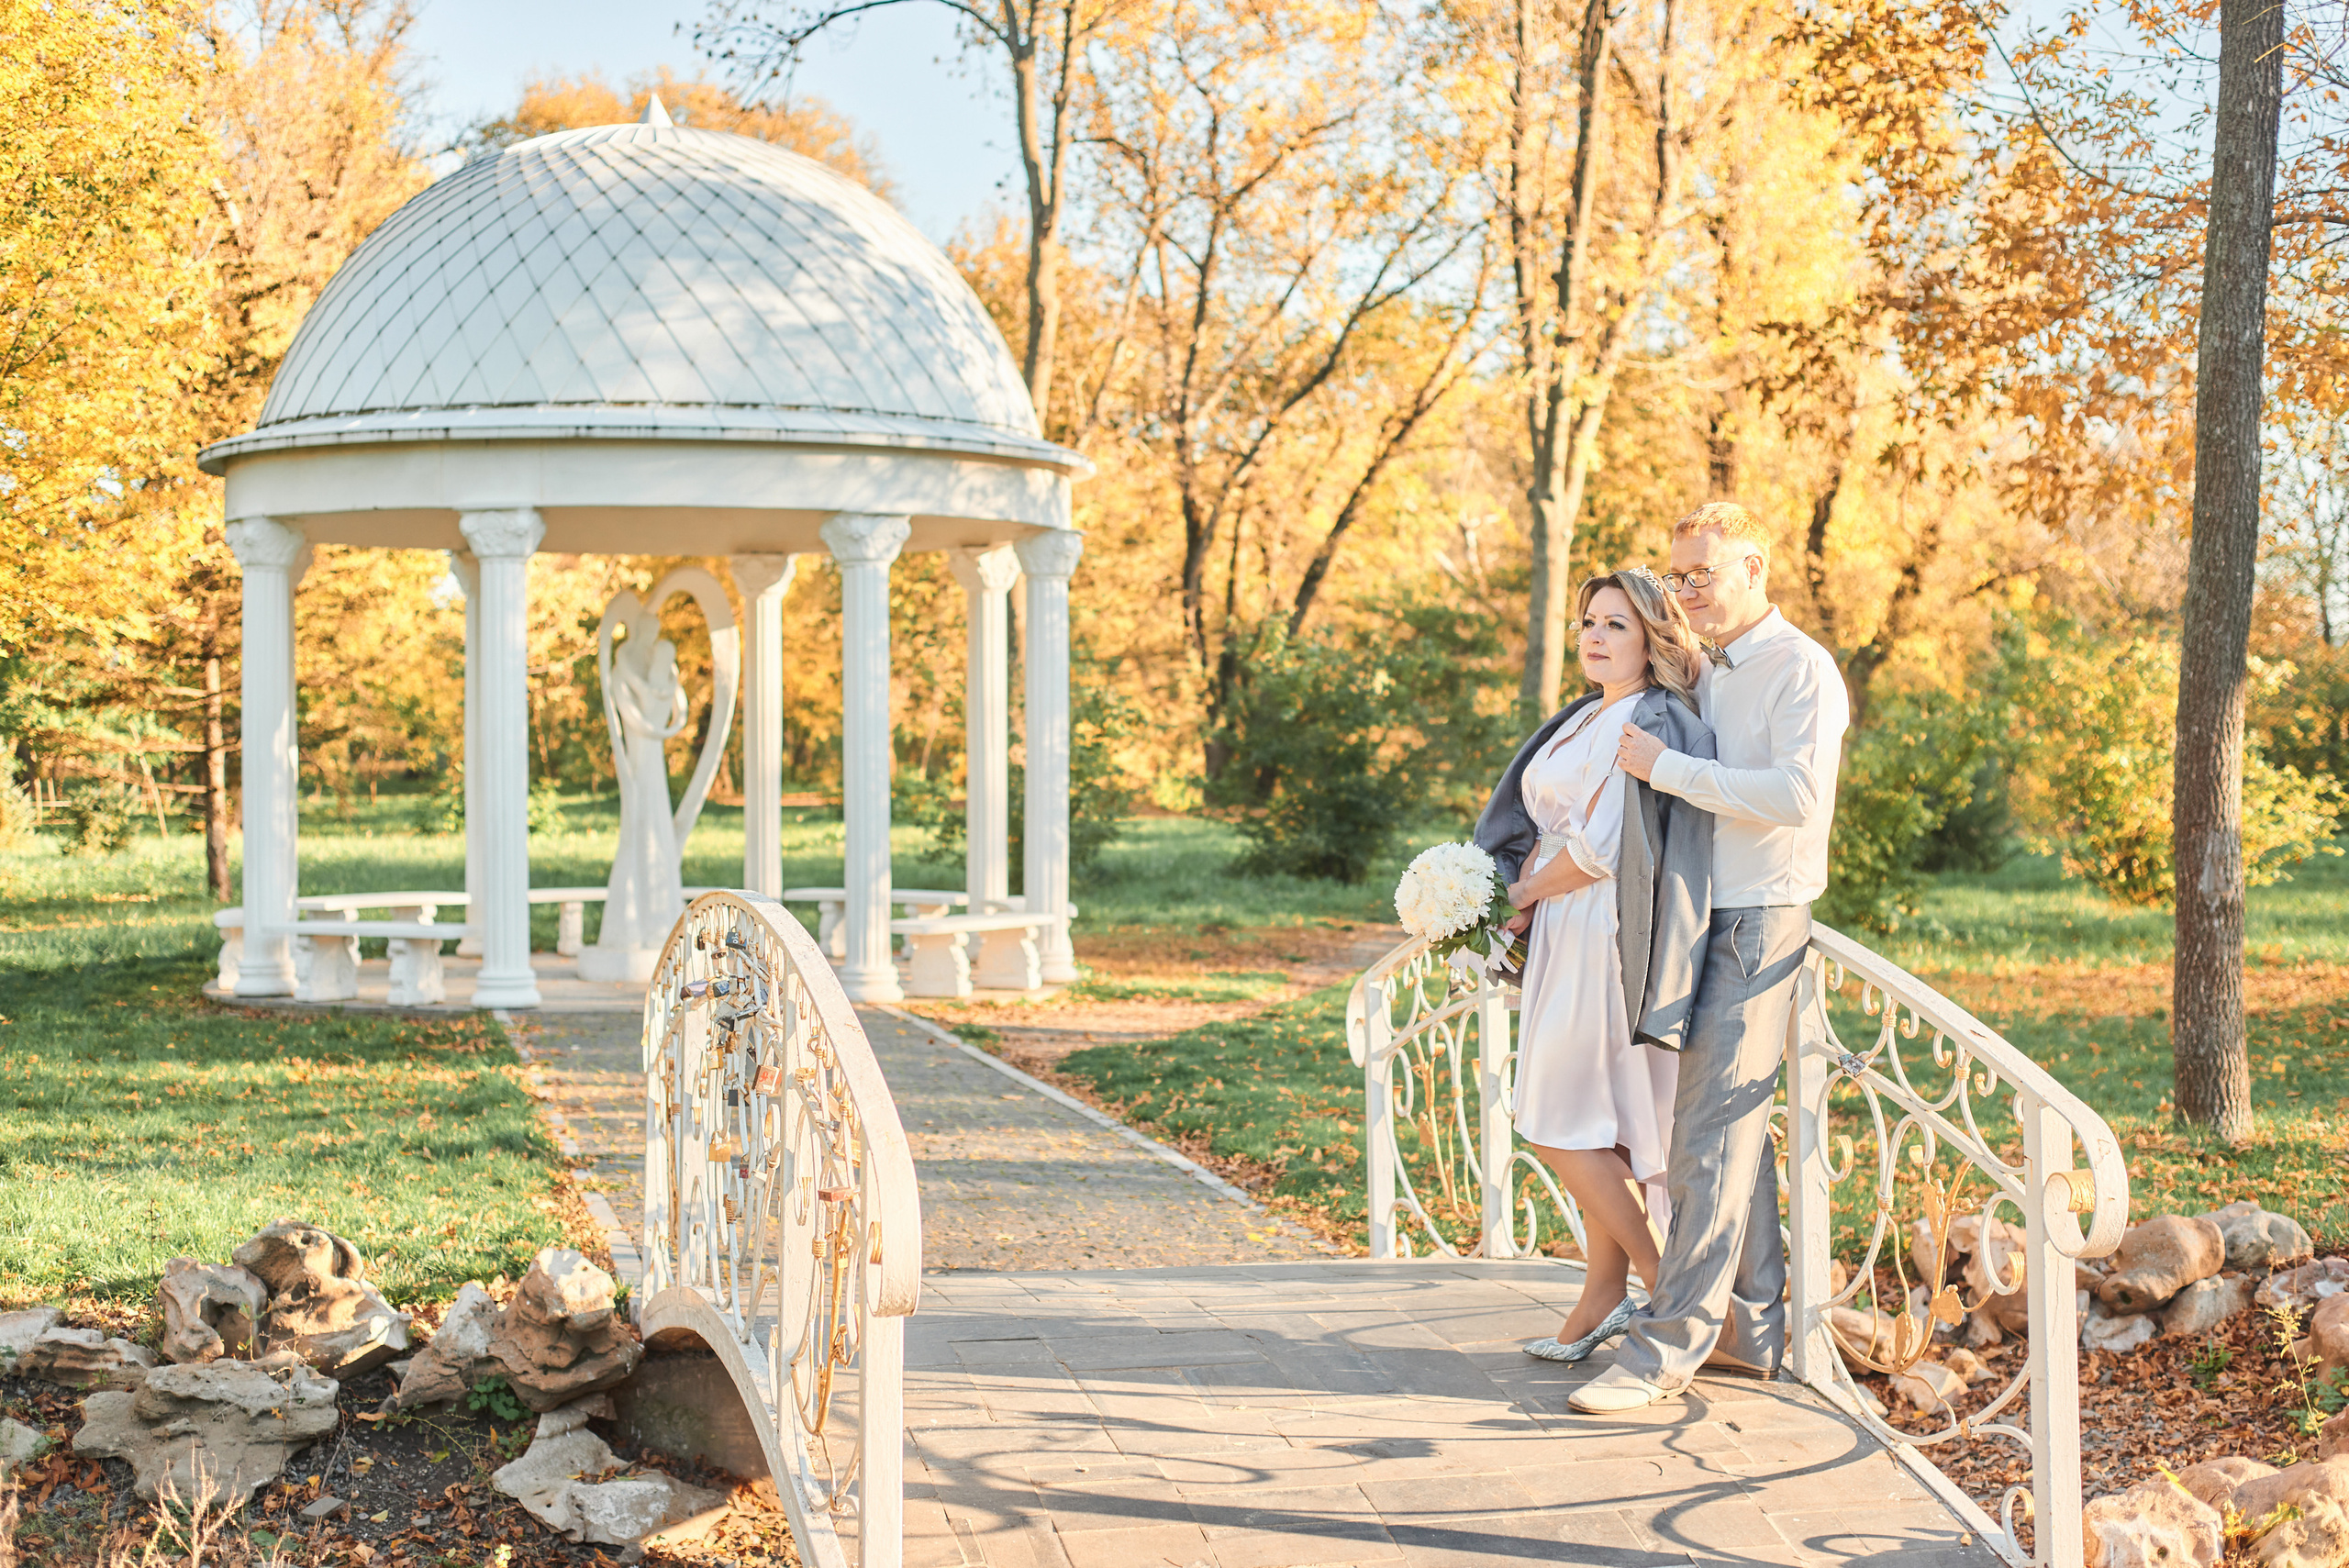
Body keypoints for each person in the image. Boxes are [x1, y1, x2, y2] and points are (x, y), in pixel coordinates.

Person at [1567, 501, 1851, 1414]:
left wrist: (1667, 768)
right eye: (1677, 574)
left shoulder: (1799, 666)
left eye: (1703, 572)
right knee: (1731, 1139)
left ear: (1755, 567)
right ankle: (1749, 1329)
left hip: (1757, 924)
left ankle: (1664, 1350)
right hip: (1702, 919)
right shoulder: (1712, 668)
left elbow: (1799, 796)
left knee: (1704, 1142)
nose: (1687, 589)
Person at [1472, 568, 1716, 1363]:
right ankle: (1601, 1296)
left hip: (1603, 932)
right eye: (1588, 621)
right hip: (1561, 929)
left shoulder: (1650, 720)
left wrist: (1522, 893)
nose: (1596, 634)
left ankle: (1659, 1283)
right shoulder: (1584, 717)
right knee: (1595, 1126)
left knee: (1552, 1113)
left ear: (1652, 636)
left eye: (1616, 623)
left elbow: (1602, 847)